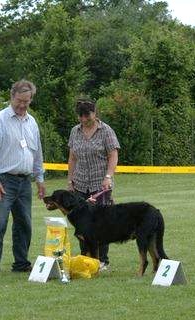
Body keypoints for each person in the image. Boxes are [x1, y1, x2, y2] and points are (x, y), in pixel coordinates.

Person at [0, 79, 45, 277]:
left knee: (24, 224)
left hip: (25, 181)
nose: (22, 105)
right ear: (12, 96)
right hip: (3, 181)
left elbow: (37, 153)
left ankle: (21, 263)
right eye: (20, 101)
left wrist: (39, 178)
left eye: (27, 101)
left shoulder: (32, 122)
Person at [67, 98, 120, 271]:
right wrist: (70, 179)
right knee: (82, 223)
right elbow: (72, 157)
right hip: (81, 184)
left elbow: (113, 155)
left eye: (87, 115)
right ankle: (86, 257)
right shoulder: (75, 131)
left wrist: (108, 176)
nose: (83, 119)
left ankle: (102, 260)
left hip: (100, 184)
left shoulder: (106, 131)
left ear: (95, 113)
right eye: (80, 116)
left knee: (101, 223)